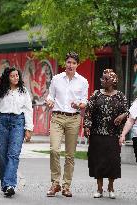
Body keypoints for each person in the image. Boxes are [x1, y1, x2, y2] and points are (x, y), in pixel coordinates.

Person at [45, 51, 88, 197]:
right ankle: (55, 183)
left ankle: (66, 186)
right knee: (54, 150)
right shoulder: (56, 79)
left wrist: (79, 105)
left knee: (70, 155)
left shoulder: (83, 81)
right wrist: (49, 100)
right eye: (68, 62)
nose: (71, 65)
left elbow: (85, 101)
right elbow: (50, 95)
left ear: (77, 64)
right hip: (57, 117)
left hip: (73, 119)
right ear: (65, 63)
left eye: (74, 63)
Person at [0, 66, 33, 197]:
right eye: (13, 76)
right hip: (2, 123)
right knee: (3, 156)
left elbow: (28, 110)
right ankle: (5, 184)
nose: (15, 78)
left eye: (17, 75)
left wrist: (28, 128)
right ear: (7, 77)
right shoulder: (0, 91)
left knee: (13, 154)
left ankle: (10, 185)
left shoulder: (23, 91)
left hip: (18, 122)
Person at [84, 69, 128, 199]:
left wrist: (122, 116)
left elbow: (128, 112)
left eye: (105, 79)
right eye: (102, 78)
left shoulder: (120, 95)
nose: (102, 81)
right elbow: (88, 111)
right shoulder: (96, 94)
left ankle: (111, 186)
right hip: (97, 133)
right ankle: (99, 188)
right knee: (98, 161)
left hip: (113, 134)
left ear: (112, 81)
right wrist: (87, 126)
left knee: (112, 161)